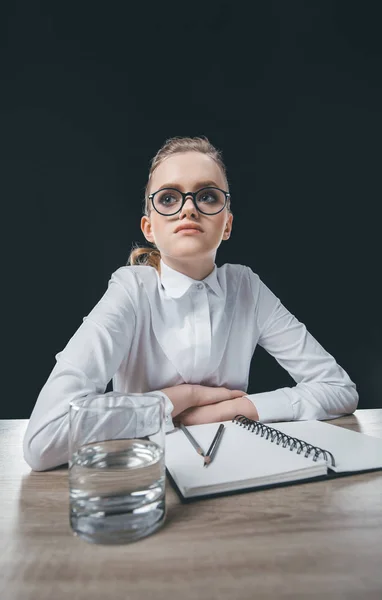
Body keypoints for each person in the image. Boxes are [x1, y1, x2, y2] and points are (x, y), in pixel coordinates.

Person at [23, 135, 358, 471]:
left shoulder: (246, 288)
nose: (188, 208)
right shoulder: (130, 290)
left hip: (232, 473)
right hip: (144, 478)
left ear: (226, 223)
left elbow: (339, 389)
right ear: (149, 227)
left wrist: (229, 410)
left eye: (207, 196)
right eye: (168, 198)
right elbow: (43, 440)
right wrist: (183, 399)